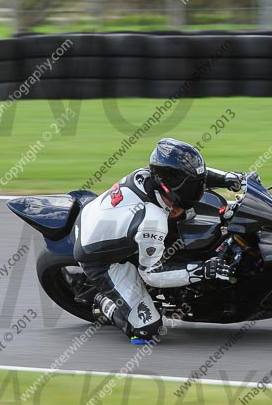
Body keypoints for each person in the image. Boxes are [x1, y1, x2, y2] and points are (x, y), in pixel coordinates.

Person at [73, 137, 252, 344]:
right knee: (148, 331)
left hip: (101, 219)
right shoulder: (153, 220)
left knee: (190, 215)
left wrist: (230, 178)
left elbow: (192, 177)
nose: (196, 188)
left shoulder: (150, 175)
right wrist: (201, 270)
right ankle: (103, 302)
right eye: (189, 185)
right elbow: (151, 274)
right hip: (102, 260)